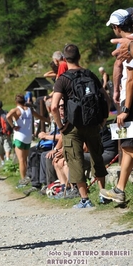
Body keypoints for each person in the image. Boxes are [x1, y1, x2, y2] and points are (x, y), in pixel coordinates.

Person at [51, 44, 110, 209]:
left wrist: (61, 127)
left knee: (75, 161)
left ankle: (85, 199)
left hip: (72, 126)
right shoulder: (90, 74)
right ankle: (103, 193)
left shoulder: (63, 79)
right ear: (79, 57)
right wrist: (103, 121)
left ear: (64, 59)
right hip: (93, 123)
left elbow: (54, 107)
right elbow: (106, 99)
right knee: (96, 158)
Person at [100, 9, 133, 204]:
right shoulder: (127, 43)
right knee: (128, 146)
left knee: (128, 145)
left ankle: (119, 189)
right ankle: (119, 189)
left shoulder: (128, 44)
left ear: (116, 27)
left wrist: (125, 109)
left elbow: (130, 80)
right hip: (126, 101)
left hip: (129, 102)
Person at [7, 94, 49, 188]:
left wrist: (13, 126)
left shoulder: (16, 110)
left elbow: (8, 116)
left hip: (19, 137)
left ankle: (23, 180)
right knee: (25, 160)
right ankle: (27, 177)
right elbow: (39, 117)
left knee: (21, 161)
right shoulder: (29, 110)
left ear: (16, 101)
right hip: (28, 137)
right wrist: (48, 121)